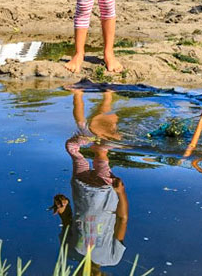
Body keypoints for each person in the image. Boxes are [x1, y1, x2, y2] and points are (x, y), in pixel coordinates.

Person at [51, 89, 128, 269]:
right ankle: (109, 97)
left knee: (72, 147)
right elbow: (122, 219)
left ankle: (79, 94)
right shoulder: (111, 258)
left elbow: (68, 223)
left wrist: (62, 206)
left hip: (81, 188)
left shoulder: (70, 253)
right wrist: (121, 193)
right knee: (102, 152)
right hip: (105, 191)